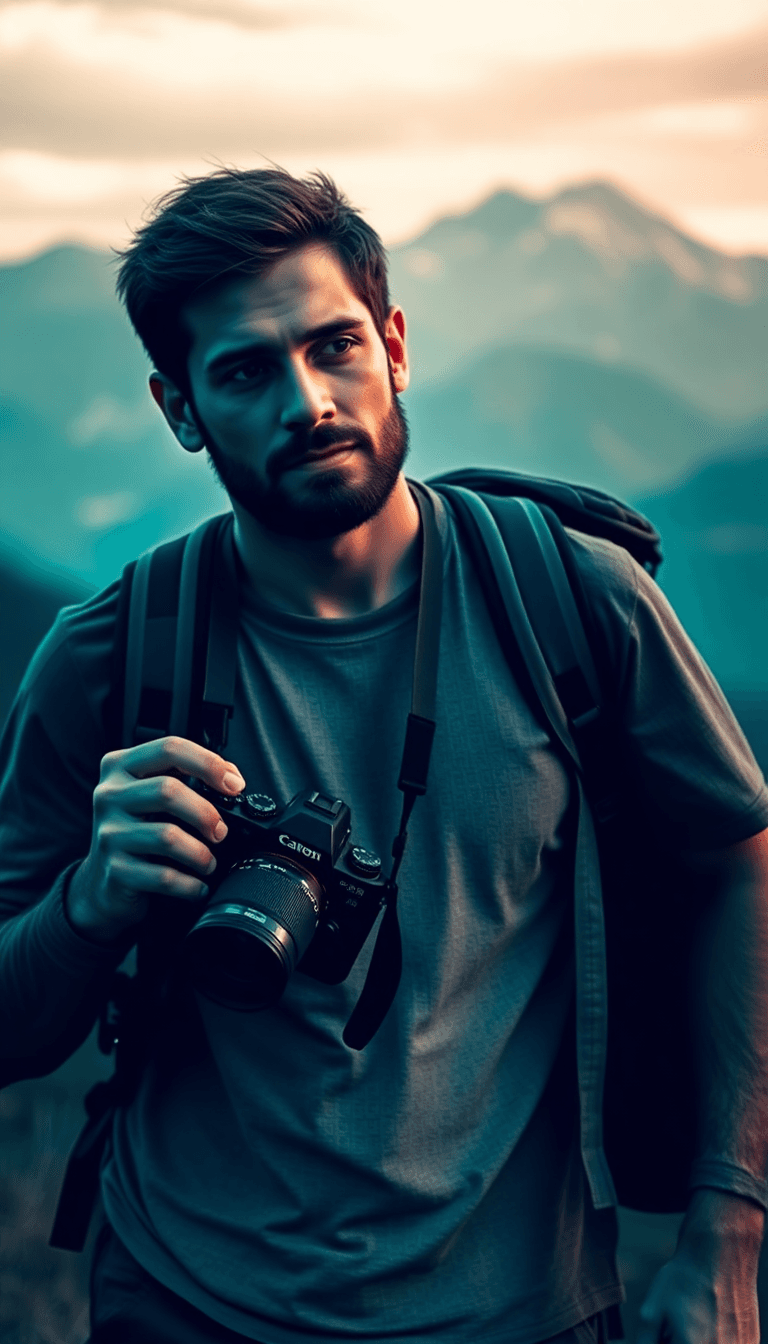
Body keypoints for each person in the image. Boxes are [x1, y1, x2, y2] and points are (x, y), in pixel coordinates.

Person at [1, 166, 767, 1344]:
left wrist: (730, 1225)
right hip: (187, 1302)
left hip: (528, 1309)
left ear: (395, 346)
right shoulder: (109, 661)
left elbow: (738, 865)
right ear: (180, 409)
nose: (308, 402)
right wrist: (91, 904)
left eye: (336, 346)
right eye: (246, 372)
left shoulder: (572, 603)